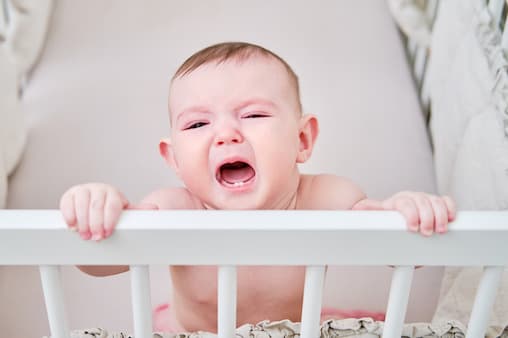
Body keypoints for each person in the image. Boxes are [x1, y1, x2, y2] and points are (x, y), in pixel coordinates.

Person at [59, 42, 456, 333]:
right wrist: (96, 211)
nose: (226, 135)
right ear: (174, 159)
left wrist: (405, 212)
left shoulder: (326, 199)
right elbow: (95, 262)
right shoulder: (174, 209)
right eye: (198, 124)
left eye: (253, 115)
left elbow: (397, 246)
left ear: (302, 140)